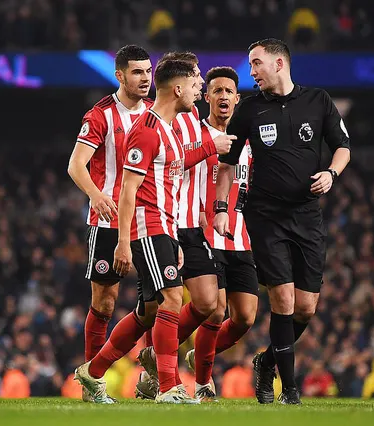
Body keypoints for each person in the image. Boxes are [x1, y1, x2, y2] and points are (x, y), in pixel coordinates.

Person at [75, 59, 232, 404]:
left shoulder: (169, 128)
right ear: (177, 89)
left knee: (150, 310)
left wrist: (174, 237)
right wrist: (122, 244)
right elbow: (128, 191)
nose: (198, 92)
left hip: (165, 226)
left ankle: (93, 371)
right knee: (172, 298)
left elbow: (171, 184)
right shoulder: (146, 130)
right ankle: (167, 387)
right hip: (146, 225)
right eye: (194, 86)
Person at [212, 38, 351, 404]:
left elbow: (342, 146)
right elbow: (227, 165)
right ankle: (289, 391)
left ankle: (267, 361)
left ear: (278, 63)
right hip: (265, 216)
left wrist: (332, 174)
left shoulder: (317, 101)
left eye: (256, 63)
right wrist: (222, 208)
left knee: (306, 307)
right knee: (283, 300)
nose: (252, 71)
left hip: (307, 216)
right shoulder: (250, 109)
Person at [135, 53, 236, 400]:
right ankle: (153, 375)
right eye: (197, 77)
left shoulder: (192, 114)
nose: (201, 83)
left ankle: (156, 362)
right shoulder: (168, 118)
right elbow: (175, 161)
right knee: (163, 305)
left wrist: (211, 210)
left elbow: (201, 172)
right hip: (167, 222)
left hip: (195, 222)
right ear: (182, 83)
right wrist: (210, 146)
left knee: (207, 304)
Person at [67, 44, 153, 403]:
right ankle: (93, 383)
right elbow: (76, 165)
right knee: (104, 303)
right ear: (120, 75)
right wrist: (97, 195)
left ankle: (155, 376)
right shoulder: (100, 115)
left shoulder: (156, 113)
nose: (145, 78)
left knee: (160, 301)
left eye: (149, 71)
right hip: (108, 221)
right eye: (137, 72)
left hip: (150, 219)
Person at [182, 66, 259, 401]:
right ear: (207, 96)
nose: (223, 96)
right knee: (214, 309)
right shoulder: (194, 134)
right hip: (203, 235)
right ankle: (202, 382)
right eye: (217, 90)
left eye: (229, 91)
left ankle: (198, 352)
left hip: (241, 238)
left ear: (237, 98)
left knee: (244, 318)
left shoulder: (249, 142)